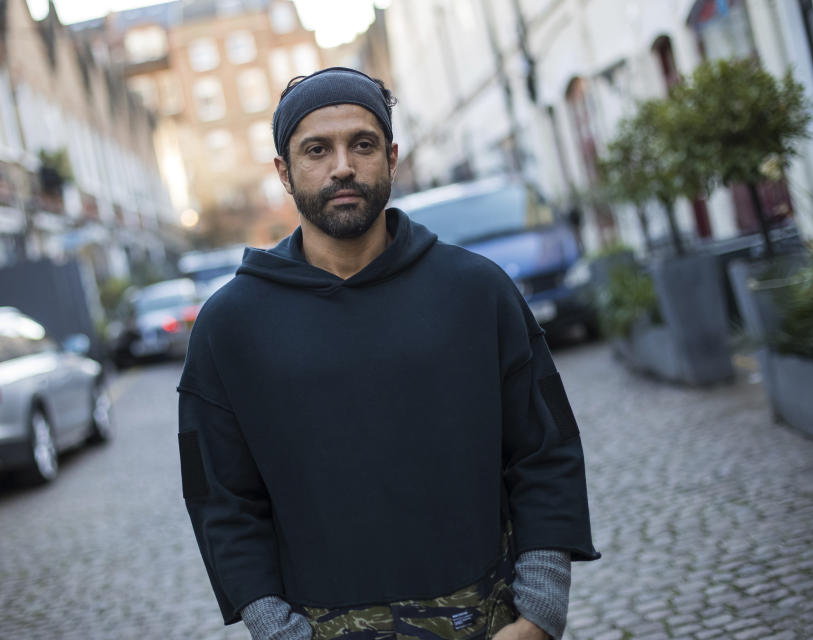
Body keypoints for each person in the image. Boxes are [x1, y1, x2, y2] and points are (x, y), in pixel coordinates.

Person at [177, 67, 600, 640]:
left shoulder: (476, 291)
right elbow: (221, 500)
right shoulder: (230, 326)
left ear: (392, 157)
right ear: (284, 171)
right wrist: (276, 630)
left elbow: (544, 449)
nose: (343, 166)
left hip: (490, 617)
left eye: (363, 144)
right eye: (317, 150)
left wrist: (540, 612)